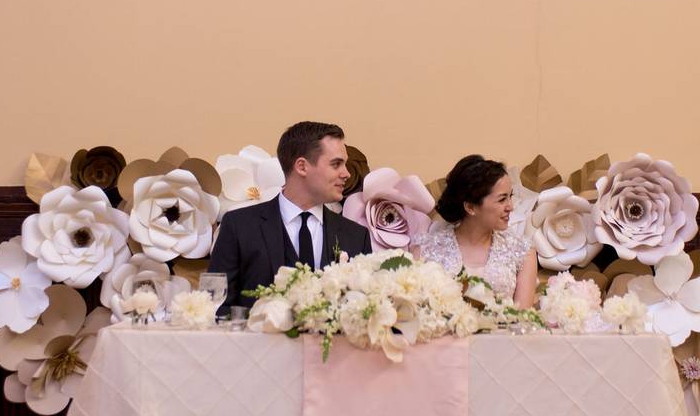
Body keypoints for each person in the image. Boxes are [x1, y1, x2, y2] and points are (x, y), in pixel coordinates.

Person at [209, 121, 372, 311]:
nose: (346, 174)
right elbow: (217, 308)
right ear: (302, 166)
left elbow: (363, 311)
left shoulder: (356, 237)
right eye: (336, 164)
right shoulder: (239, 227)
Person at [412, 155, 537, 307]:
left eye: (510, 197)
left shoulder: (523, 253)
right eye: (502, 199)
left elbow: (524, 318)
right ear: (470, 207)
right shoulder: (425, 251)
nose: (510, 206)